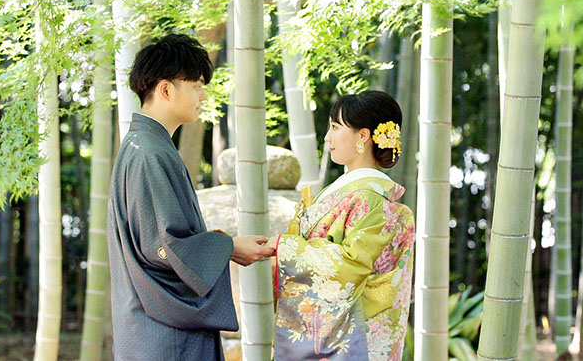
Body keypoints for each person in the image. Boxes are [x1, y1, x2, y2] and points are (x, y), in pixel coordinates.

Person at [107, 33, 274, 360]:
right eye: (196, 86)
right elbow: (163, 245)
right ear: (165, 89)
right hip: (165, 338)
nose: (203, 95)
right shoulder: (148, 153)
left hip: (154, 329)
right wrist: (228, 246)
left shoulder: (147, 146)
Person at [267, 91, 415, 360]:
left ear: (363, 136)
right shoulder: (354, 192)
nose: (328, 137)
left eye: (335, 127)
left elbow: (349, 266)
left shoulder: (370, 198)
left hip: (350, 336)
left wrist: (284, 247)